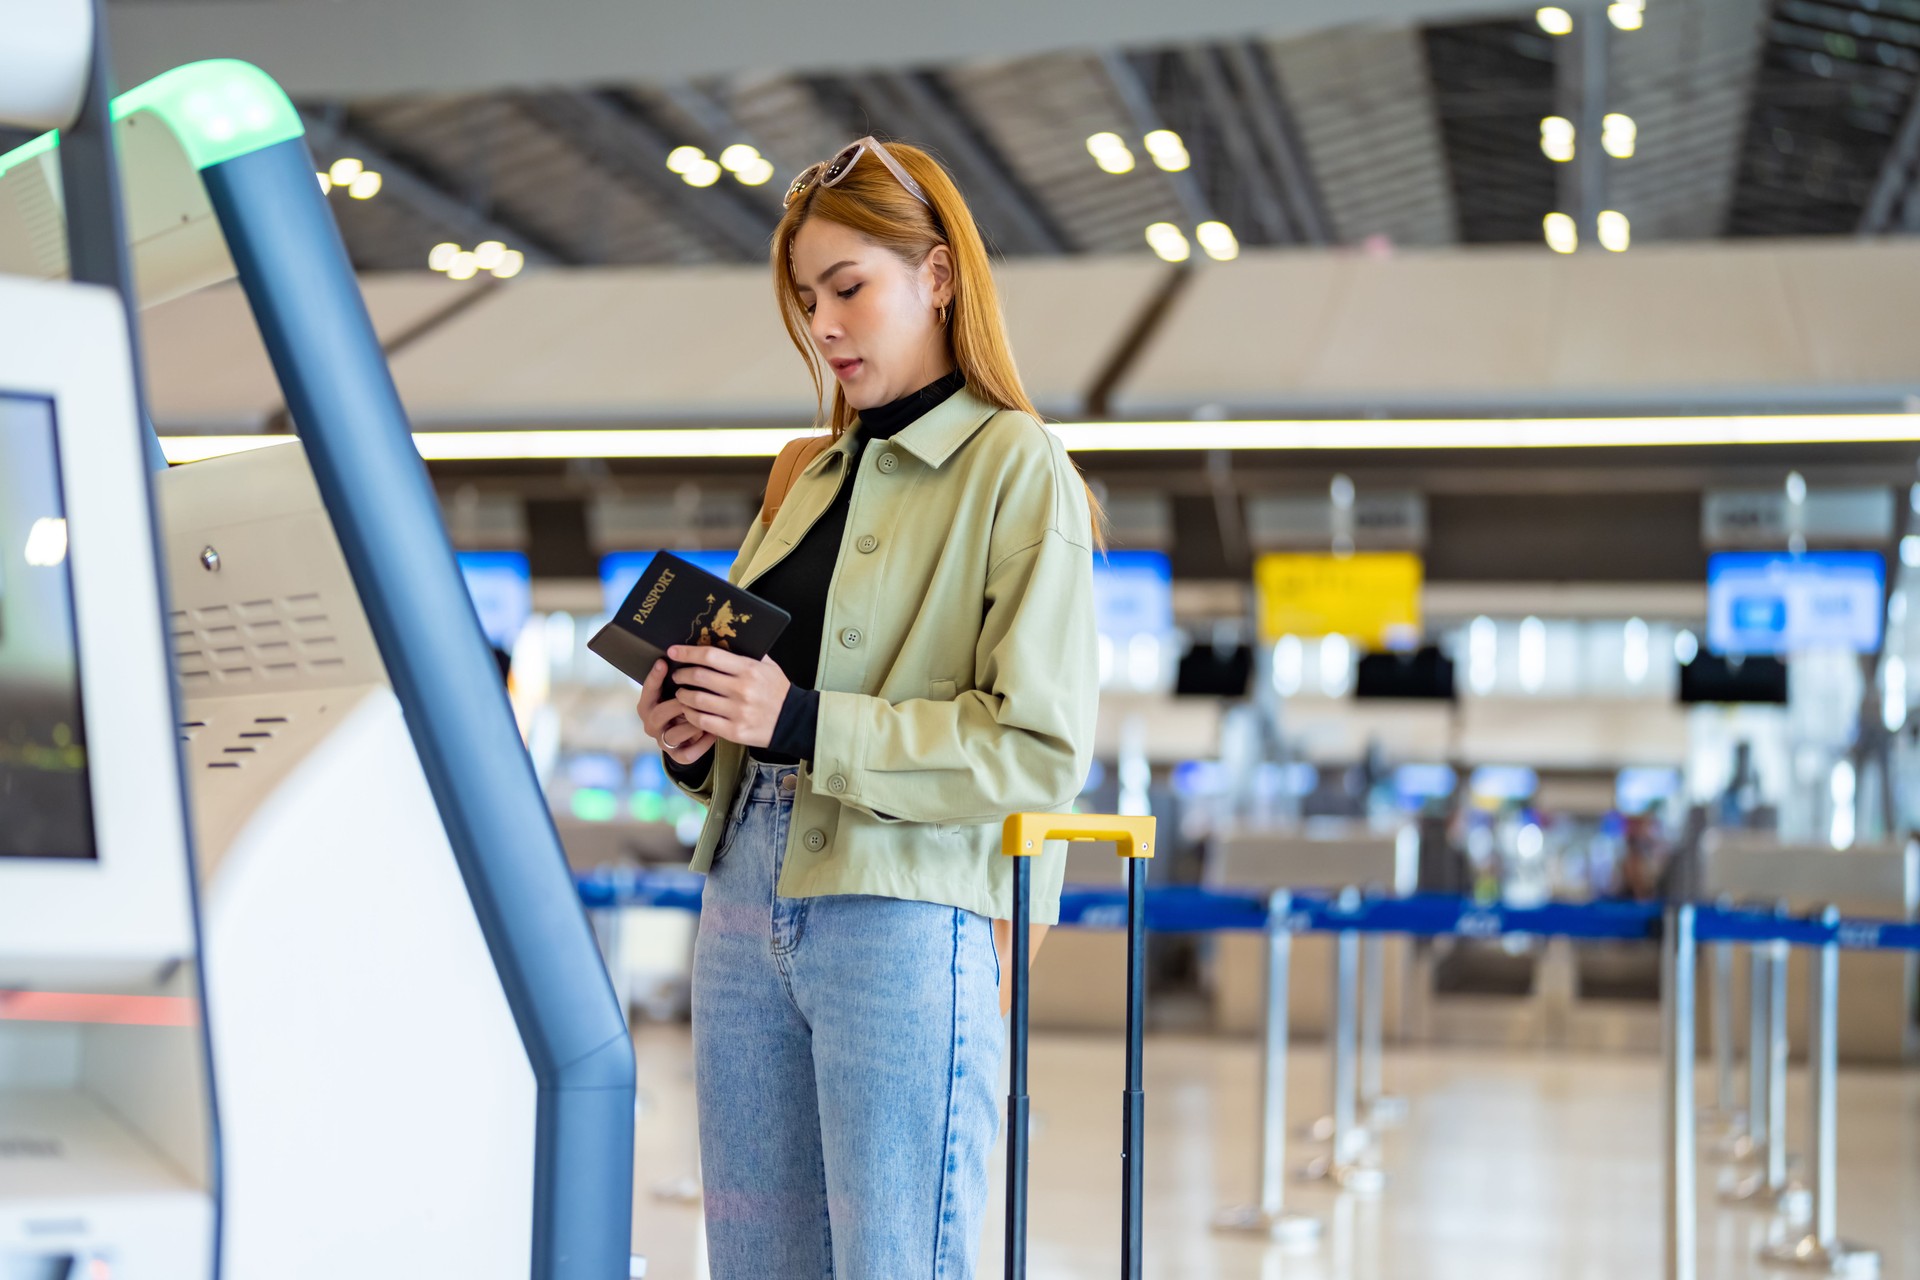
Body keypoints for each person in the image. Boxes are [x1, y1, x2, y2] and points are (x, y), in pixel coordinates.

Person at [633, 136, 1103, 1278]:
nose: (825, 324)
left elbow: (1036, 747)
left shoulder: (1018, 468)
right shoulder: (807, 476)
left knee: (894, 1257)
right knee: (753, 1257)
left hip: (903, 905)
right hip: (746, 899)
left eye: (850, 287)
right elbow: (757, 708)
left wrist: (798, 722)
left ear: (938, 276)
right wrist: (695, 731)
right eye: (806, 299)